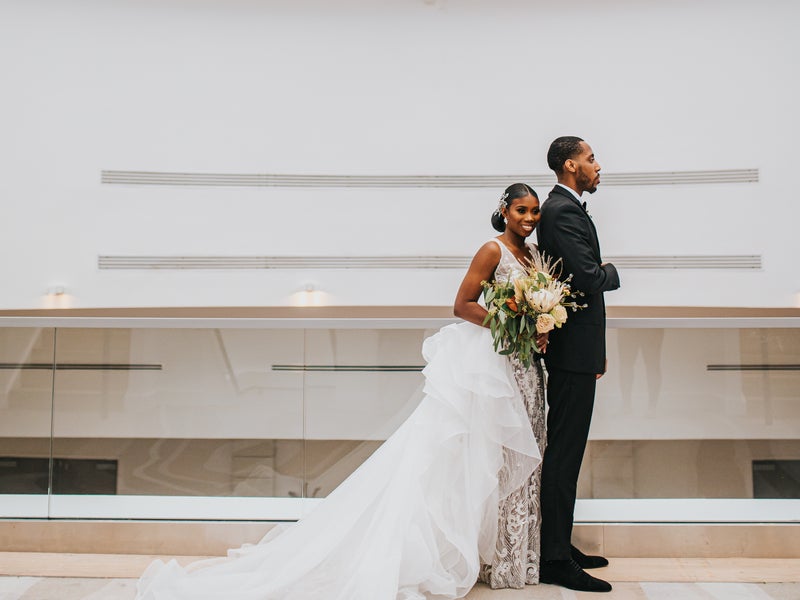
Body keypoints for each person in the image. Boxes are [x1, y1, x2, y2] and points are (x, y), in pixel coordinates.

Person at [136, 184, 545, 600]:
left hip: (523, 366)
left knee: (503, 456)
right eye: (521, 210)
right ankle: (457, 553)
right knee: (469, 455)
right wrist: (512, 325)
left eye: (534, 211)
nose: (529, 219)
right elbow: (463, 305)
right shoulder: (491, 250)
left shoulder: (533, 254)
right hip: (490, 366)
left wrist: (539, 327)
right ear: (504, 211)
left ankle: (506, 555)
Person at [535, 136, 621, 593]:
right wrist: (611, 271)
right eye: (590, 158)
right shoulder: (561, 211)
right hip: (570, 354)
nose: (597, 165)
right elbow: (588, 277)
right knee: (564, 455)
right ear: (570, 165)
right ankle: (553, 558)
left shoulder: (565, 208)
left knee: (567, 453)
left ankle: (559, 546)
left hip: (579, 351)